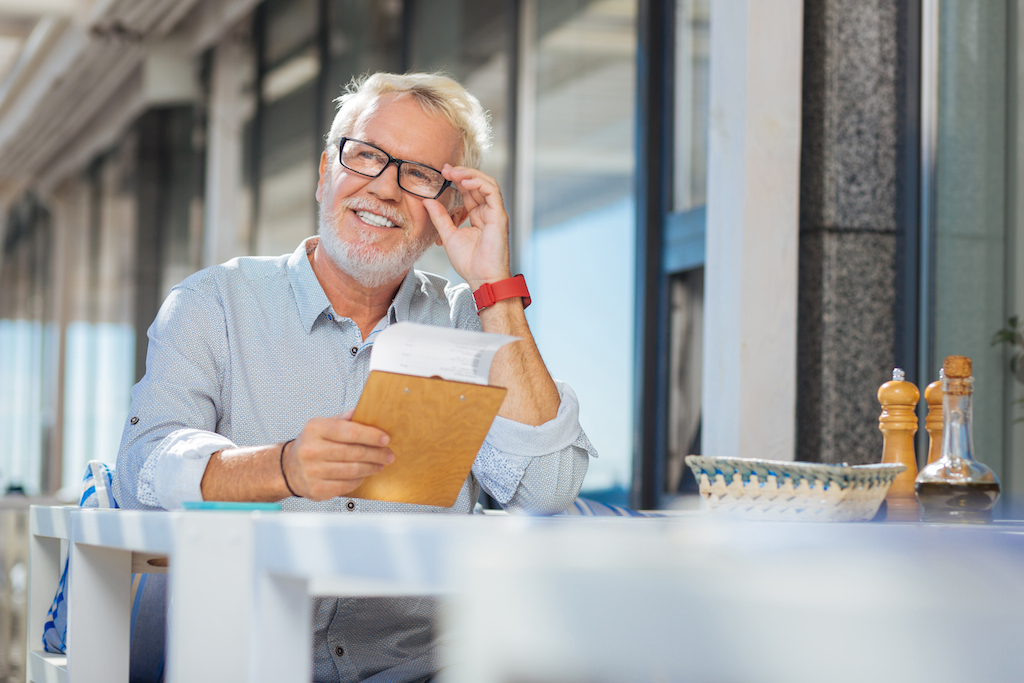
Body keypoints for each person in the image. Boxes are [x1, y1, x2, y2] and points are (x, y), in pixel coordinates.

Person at [113, 72, 597, 682]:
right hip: (247, 664)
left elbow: (546, 489)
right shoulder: (215, 304)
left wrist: (493, 287)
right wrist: (281, 468)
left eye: (419, 174)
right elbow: (144, 467)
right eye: (366, 156)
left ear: (448, 209)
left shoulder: (469, 321)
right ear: (325, 174)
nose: (385, 189)